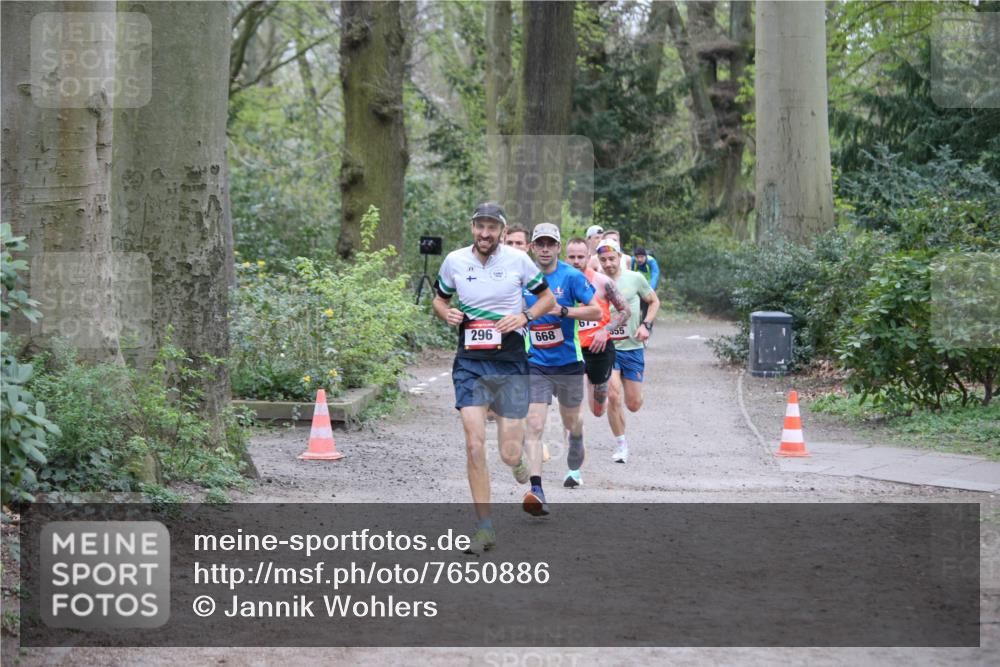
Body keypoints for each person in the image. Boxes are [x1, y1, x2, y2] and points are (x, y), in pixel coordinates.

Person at [433, 202, 556, 553]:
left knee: (508, 450)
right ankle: (484, 527)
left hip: (510, 361)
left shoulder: (518, 261)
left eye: (491, 228)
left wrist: (525, 317)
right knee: (474, 444)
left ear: (502, 231)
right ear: (472, 227)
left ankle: (517, 461)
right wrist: (447, 313)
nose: (484, 234)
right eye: (479, 226)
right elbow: (438, 300)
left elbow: (546, 298)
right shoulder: (455, 261)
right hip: (470, 361)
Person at [522, 224, 601, 506]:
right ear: (532, 247)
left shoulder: (570, 276)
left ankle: (577, 438)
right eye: (539, 243)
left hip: (568, 361)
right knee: (534, 423)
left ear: (558, 248)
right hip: (537, 363)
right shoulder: (524, 276)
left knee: (572, 422)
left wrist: (564, 311)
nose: (545, 248)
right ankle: (536, 489)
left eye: (550, 244)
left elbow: (596, 310)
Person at [594, 238, 659, 464]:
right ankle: (621, 444)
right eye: (603, 260)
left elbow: (653, 301)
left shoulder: (635, 278)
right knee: (613, 395)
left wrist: (646, 325)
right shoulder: (594, 282)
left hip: (632, 347)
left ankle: (635, 395)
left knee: (633, 404)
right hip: (608, 348)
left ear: (620, 257)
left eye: (612, 258)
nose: (608, 263)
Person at [565, 237, 631, 418]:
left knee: (598, 410)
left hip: (598, 348)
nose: (576, 261)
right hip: (571, 349)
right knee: (572, 402)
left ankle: (593, 382)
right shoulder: (558, 282)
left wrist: (605, 331)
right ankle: (574, 443)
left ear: (588, 257)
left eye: (580, 257)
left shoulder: (602, 282)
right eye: (572, 257)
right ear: (565, 258)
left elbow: (625, 310)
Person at [631, 246, 660, 324]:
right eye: (637, 257)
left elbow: (655, 276)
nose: (639, 259)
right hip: (638, 285)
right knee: (635, 303)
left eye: (641, 257)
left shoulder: (651, 261)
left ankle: (646, 324)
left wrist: (650, 289)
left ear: (645, 256)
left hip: (649, 285)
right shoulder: (632, 261)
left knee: (647, 304)